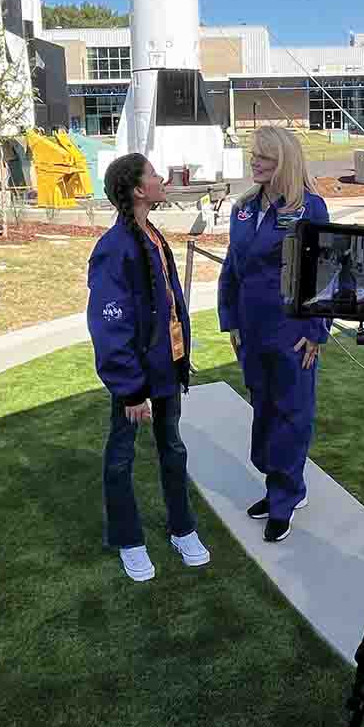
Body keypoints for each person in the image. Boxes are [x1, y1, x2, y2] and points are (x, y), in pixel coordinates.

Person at [87, 153, 210, 582]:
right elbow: (109, 325)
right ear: (139, 190)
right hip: (136, 380)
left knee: (172, 449)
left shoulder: (152, 234)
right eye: (155, 175)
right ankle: (128, 539)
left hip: (166, 371)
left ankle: (182, 528)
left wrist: (178, 362)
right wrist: (130, 390)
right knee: (121, 458)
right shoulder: (113, 249)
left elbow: (167, 306)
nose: (162, 179)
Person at [218, 126, 329, 542]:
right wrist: (230, 321)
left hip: (293, 332)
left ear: (284, 160)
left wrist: (317, 330)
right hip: (252, 329)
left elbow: (325, 273)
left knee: (291, 413)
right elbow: (232, 268)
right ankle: (279, 485)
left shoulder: (310, 209)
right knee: (264, 410)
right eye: (254, 155)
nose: (255, 161)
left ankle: (284, 498)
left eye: (265, 156)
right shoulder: (243, 208)